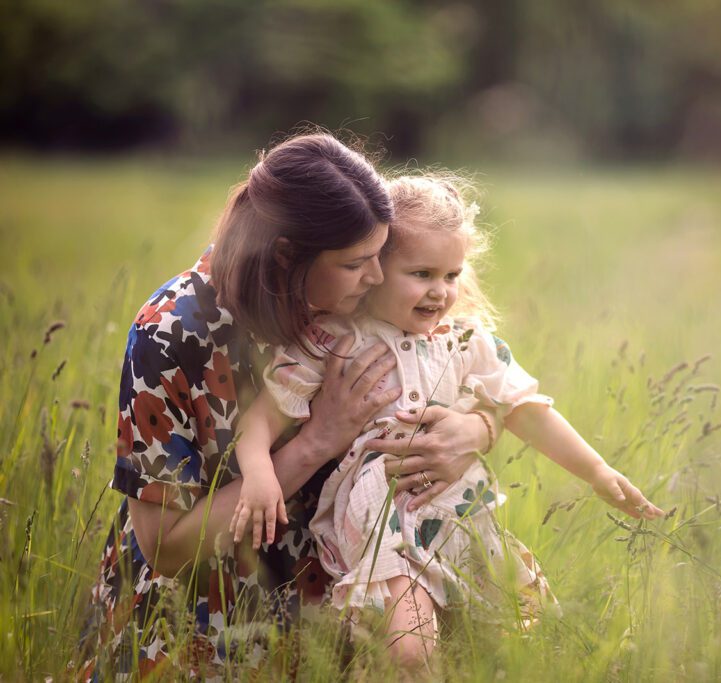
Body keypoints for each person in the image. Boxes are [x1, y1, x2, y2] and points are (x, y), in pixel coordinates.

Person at [80, 133, 498, 679]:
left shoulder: (350, 302)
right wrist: (316, 441)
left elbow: (471, 369)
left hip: (343, 591)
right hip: (202, 621)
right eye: (356, 264)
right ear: (285, 257)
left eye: (379, 259)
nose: (375, 277)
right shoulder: (172, 332)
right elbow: (165, 547)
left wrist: (475, 430)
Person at [229, 174, 664, 673]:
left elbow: (527, 410)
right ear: (374, 270)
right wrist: (259, 473)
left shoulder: (466, 341)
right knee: (410, 647)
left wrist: (597, 472)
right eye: (421, 274)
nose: (440, 292)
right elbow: (259, 420)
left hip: (462, 514)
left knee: (515, 636)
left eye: (452, 276)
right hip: (384, 518)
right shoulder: (335, 339)